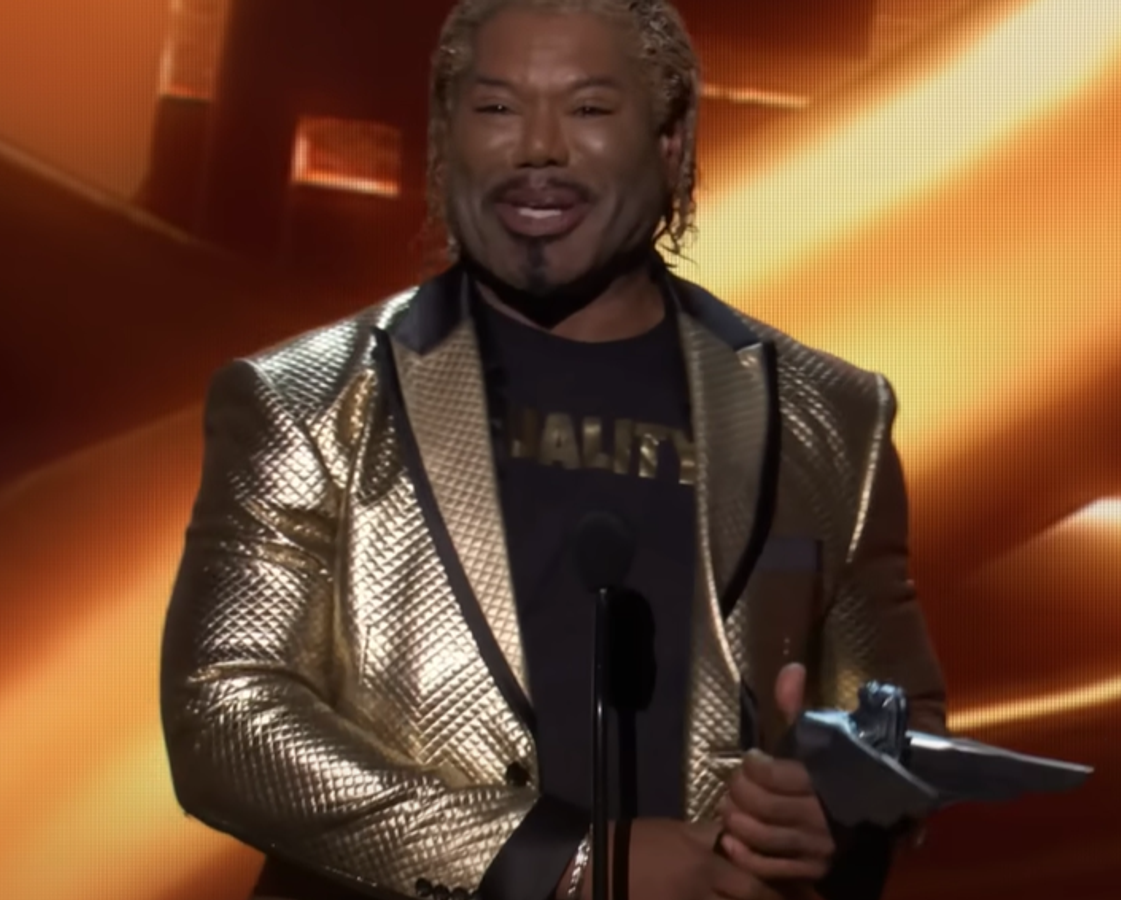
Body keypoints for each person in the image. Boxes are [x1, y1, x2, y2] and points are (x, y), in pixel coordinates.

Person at [159, 1, 947, 899]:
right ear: (445, 138)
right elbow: (225, 712)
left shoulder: (830, 416)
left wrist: (839, 804)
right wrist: (571, 864)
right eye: (496, 107)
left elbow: (899, 718)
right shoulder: (305, 401)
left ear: (672, 143)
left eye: (588, 108)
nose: (538, 146)